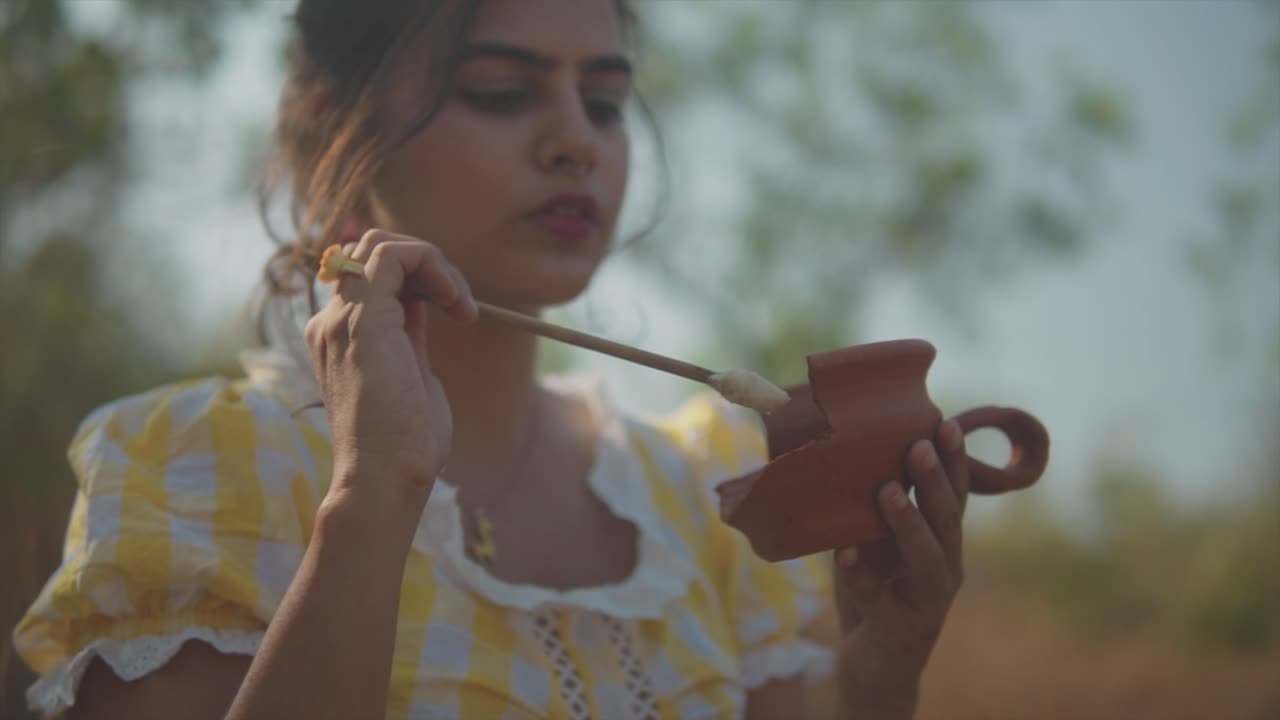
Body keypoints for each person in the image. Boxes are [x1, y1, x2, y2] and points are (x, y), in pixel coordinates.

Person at [13, 1, 972, 718]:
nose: (576, 144)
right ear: (327, 138)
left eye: (604, 101)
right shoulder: (201, 468)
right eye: (503, 92)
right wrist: (372, 499)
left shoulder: (700, 495)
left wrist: (877, 673)